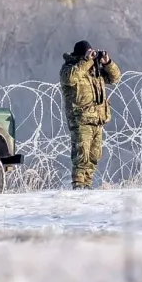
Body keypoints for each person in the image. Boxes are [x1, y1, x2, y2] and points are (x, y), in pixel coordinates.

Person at [59, 40, 122, 189]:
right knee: (82, 157)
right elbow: (70, 79)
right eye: (88, 54)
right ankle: (79, 186)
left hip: (97, 119)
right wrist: (86, 60)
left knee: (94, 157)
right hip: (80, 120)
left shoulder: (94, 70)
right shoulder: (70, 68)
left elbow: (115, 78)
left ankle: (87, 185)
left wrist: (107, 63)